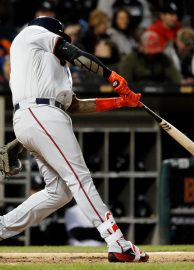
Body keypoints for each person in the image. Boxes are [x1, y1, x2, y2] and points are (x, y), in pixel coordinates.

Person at [0, 16, 148, 263]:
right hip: (41, 115)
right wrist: (111, 75)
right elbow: (71, 51)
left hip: (38, 118)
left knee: (59, 191)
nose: (61, 42)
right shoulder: (32, 33)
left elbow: (75, 106)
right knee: (79, 178)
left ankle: (2, 227)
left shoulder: (46, 68)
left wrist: (119, 102)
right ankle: (117, 242)